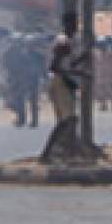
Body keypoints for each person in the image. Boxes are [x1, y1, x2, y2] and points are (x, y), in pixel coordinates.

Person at [41, 14, 89, 162]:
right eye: (72, 23)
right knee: (68, 120)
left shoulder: (67, 41)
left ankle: (60, 151)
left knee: (66, 120)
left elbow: (66, 64)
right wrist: (74, 75)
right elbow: (56, 66)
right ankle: (50, 152)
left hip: (61, 81)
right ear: (66, 24)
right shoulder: (63, 41)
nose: (75, 27)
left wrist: (81, 60)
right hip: (60, 82)